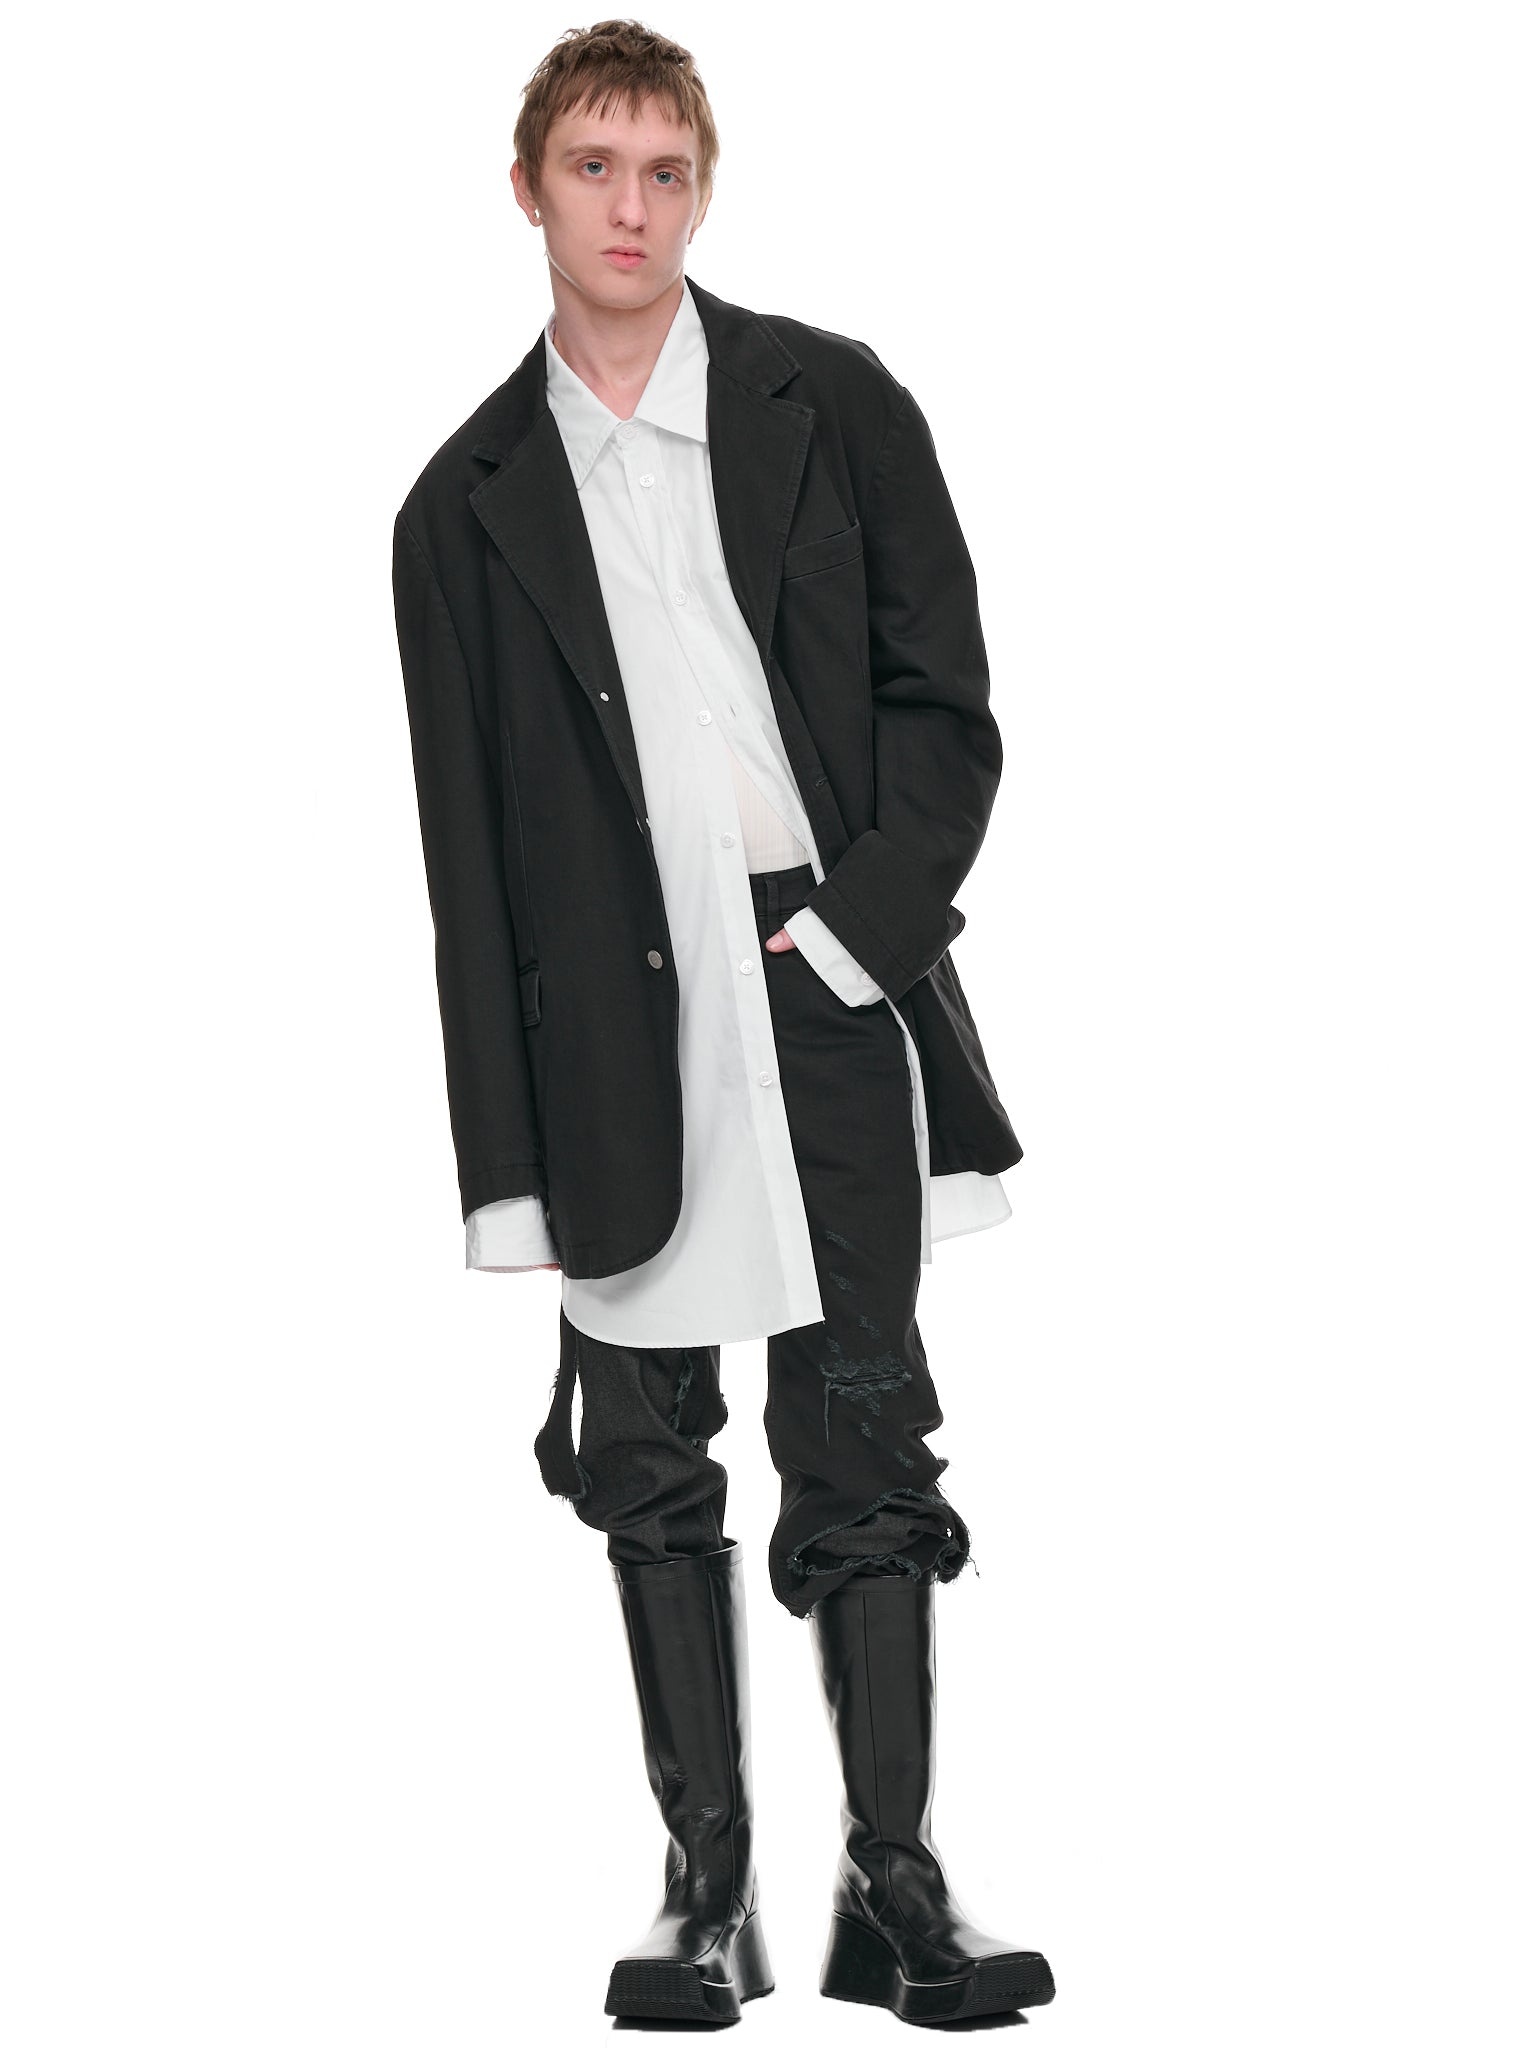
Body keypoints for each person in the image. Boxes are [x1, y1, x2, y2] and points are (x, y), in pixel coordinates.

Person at [391, 17, 1056, 2027]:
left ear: (703, 188)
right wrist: (507, 1174)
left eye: (664, 171)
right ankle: (707, 1888)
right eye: (591, 168)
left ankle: (894, 1880)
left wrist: (857, 941)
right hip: (608, 1023)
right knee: (647, 1451)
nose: (630, 208)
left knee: (864, 1426)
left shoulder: (830, 402)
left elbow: (946, 706)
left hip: (819, 974)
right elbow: (469, 877)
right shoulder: (460, 510)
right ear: (528, 188)